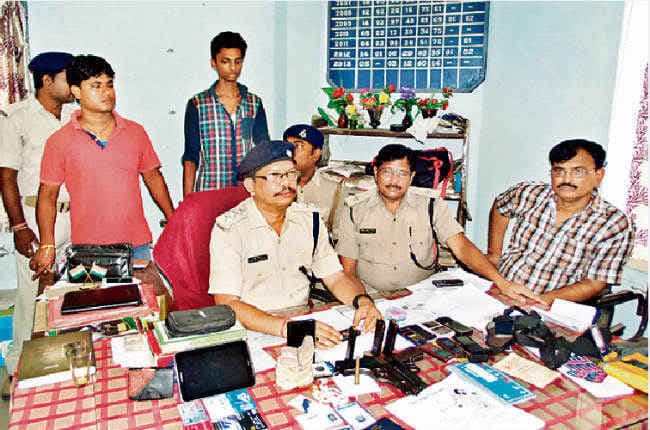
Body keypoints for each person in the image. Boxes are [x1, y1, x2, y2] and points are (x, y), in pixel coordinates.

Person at [208, 140, 382, 349]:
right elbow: (227, 302)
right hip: (254, 329)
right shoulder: (229, 229)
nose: (286, 183)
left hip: (302, 319)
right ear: (250, 185)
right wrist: (288, 328)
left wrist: (362, 301)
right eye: (275, 175)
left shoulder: (310, 220)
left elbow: (335, 277)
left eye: (291, 174)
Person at [30, 54, 175, 279]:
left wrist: (172, 218)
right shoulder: (59, 141)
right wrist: (47, 244)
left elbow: (153, 177)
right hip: (88, 250)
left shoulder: (135, 132)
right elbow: (47, 196)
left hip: (136, 245)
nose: (106, 92)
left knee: (141, 301)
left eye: (109, 85)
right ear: (76, 91)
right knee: (95, 301)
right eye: (96, 86)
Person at [336, 144, 535, 301]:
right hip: (372, 295)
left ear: (412, 177)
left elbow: (462, 247)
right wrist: (362, 301)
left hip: (420, 296)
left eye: (402, 173)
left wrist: (501, 282)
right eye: (387, 172)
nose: (394, 180)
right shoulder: (354, 209)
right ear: (376, 172)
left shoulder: (430, 204)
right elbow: (348, 270)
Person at [0, 52, 75, 395]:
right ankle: (16, 370)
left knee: (72, 292)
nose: (74, 85)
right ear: (47, 81)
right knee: (30, 297)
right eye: (68, 78)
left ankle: (67, 363)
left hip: (74, 217)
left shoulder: (75, 115)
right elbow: (6, 177)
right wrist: (19, 227)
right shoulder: (16, 118)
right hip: (33, 217)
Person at [487, 139, 633, 305]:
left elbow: (594, 284)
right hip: (501, 288)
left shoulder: (613, 224)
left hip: (552, 306)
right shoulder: (530, 194)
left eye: (577, 172)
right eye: (559, 171)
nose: (566, 179)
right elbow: (501, 206)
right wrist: (494, 253)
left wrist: (538, 301)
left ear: (598, 175)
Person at [182, 31, 269, 197]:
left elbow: (263, 151)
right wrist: (188, 201)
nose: (233, 68)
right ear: (213, 62)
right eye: (225, 61)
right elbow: (191, 157)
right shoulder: (198, 104)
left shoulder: (254, 103)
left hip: (246, 194)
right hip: (210, 193)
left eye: (238, 61)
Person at [283, 124, 342, 230]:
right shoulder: (276, 186)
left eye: (298, 146)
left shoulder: (334, 190)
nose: (291, 152)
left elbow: (338, 234)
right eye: (287, 146)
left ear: (316, 154)